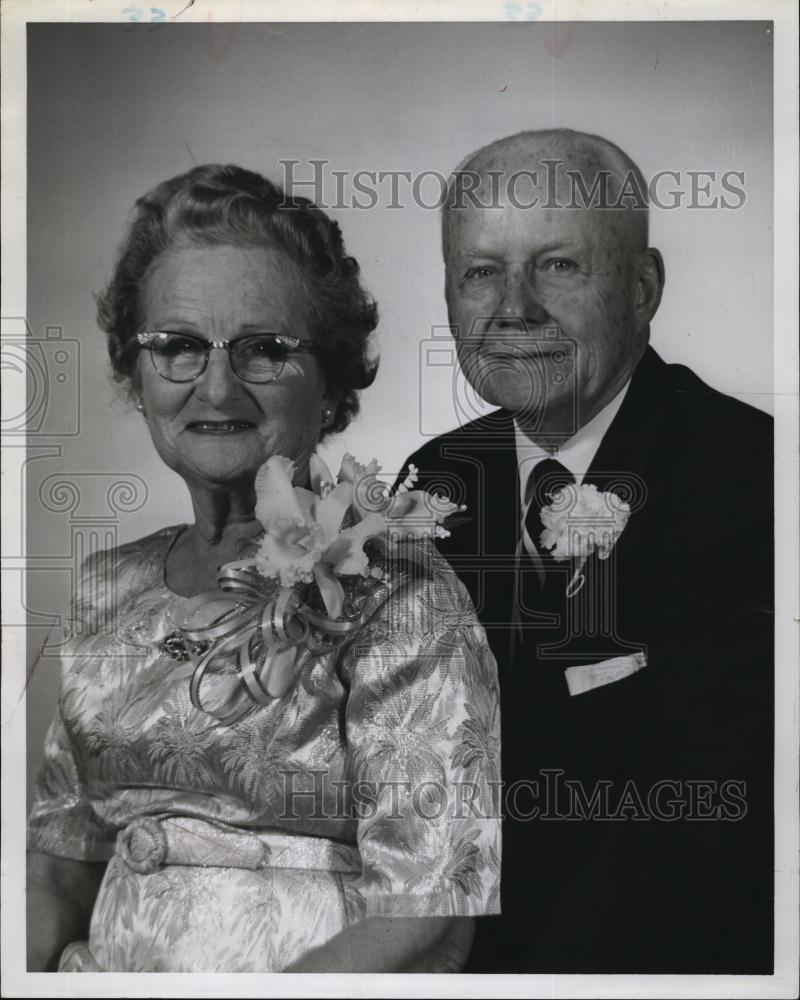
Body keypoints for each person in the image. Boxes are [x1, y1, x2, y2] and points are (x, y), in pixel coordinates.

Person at [26, 164, 501, 973]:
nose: (215, 384)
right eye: (176, 346)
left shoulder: (403, 598)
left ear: (331, 384)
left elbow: (427, 913)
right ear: (136, 378)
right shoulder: (106, 589)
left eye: (266, 349)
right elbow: (61, 869)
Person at [401, 129, 773, 974]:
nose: (513, 308)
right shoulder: (439, 479)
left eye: (558, 265)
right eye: (481, 271)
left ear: (643, 287)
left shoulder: (752, 480)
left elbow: (694, 831)